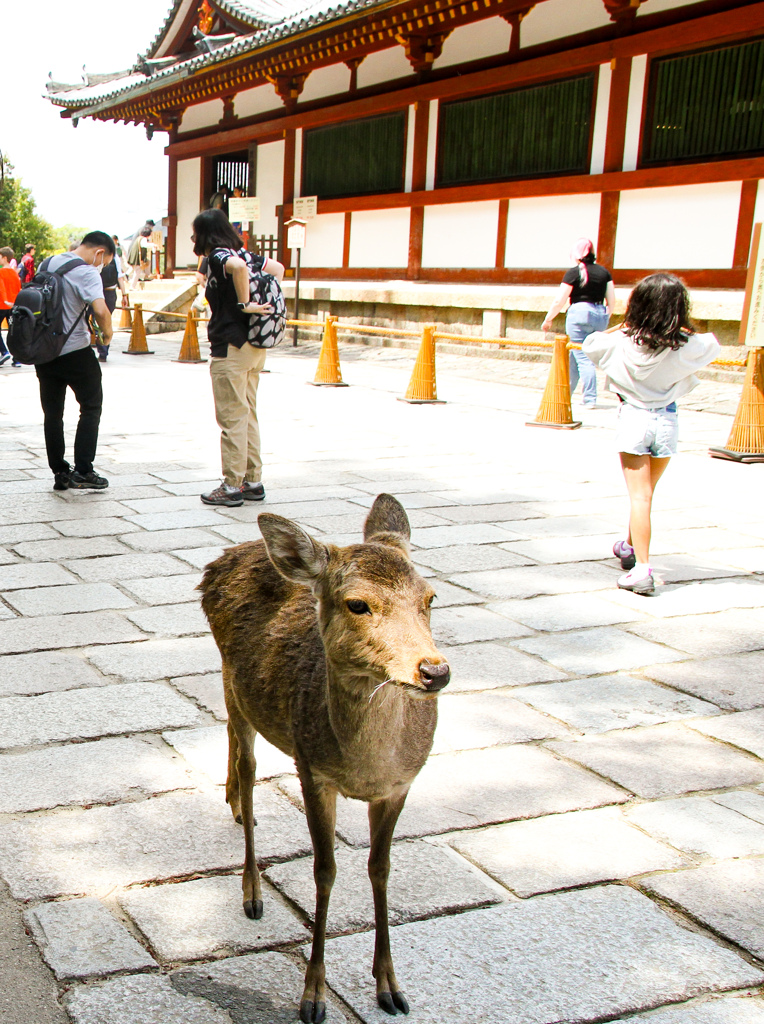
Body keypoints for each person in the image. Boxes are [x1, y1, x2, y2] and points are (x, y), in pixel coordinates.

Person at [584, 274, 720, 595]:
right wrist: (676, 327)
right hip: (667, 422)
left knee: (639, 496)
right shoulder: (684, 347)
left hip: (633, 418)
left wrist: (627, 323)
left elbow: (591, 344)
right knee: (646, 493)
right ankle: (629, 548)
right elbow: (711, 343)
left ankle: (642, 570)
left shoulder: (620, 342)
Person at [192, 208, 284, 506]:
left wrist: (245, 303)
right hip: (255, 345)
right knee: (249, 413)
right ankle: (253, 481)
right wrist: (262, 305)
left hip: (229, 345)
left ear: (205, 233)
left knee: (232, 416)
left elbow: (237, 269)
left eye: (194, 232)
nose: (192, 238)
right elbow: (278, 269)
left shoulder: (218, 256)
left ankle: (231, 486)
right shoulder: (246, 253)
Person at [35, 231, 115, 491]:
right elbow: (101, 309)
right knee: (91, 407)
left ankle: (59, 471)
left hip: (45, 352)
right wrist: (107, 336)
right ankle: (83, 470)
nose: (101, 267)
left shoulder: (47, 263)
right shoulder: (87, 271)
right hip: (76, 352)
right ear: (100, 253)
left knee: (53, 413)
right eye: (105, 262)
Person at [541, 239, 615, 407]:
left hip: (579, 314)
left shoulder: (574, 273)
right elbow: (612, 300)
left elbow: (559, 300)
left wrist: (548, 319)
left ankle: (589, 399)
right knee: (575, 356)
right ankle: (566, 393)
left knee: (582, 357)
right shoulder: (604, 273)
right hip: (600, 313)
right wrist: (604, 317)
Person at [95, 246, 129, 361]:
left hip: (96, 291)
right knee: (105, 321)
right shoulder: (115, 258)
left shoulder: (96, 256)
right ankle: (103, 350)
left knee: (96, 321)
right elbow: (120, 277)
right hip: (110, 292)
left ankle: (101, 348)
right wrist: (124, 294)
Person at [0, 247, 21, 366]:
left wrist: (5, 300)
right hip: (14, 306)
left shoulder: (1, 272)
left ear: (4, 258)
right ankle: (17, 358)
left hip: (2, 304)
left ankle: (4, 352)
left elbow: (1, 288)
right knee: (13, 332)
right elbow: (18, 289)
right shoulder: (14, 273)